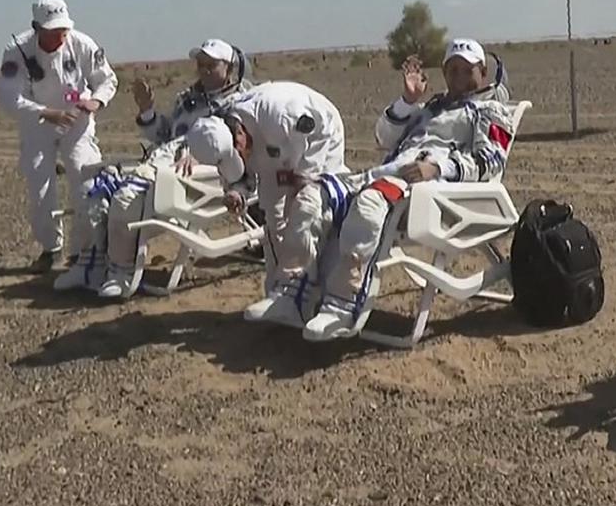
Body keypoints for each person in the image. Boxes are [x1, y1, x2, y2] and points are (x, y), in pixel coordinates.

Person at [258, 38, 517, 341]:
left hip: (431, 192)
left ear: (483, 72)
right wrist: (408, 102)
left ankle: (343, 306)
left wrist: (437, 169)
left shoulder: (490, 111)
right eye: (453, 70)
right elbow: (383, 137)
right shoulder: (431, 107)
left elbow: (490, 162)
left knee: (369, 203)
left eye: (467, 70)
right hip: (388, 178)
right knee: (312, 197)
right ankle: (293, 292)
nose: (459, 78)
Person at [53, 39, 254, 296]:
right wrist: (147, 112)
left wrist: (201, 154)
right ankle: (90, 264)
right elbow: (165, 136)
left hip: (202, 176)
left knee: (128, 195)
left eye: (212, 65)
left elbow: (242, 149)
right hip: (166, 161)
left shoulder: (239, 104)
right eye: (200, 64)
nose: (204, 69)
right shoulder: (188, 100)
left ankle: (122, 272)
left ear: (230, 68)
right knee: (98, 187)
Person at [183, 81, 347, 298]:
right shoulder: (224, 135)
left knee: (308, 210)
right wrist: (237, 192)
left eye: (239, 153)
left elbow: (319, 125)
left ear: (239, 133)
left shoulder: (278, 114)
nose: (241, 159)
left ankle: (313, 291)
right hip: (276, 151)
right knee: (273, 214)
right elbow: (242, 173)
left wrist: (304, 178)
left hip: (320, 138)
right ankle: (280, 290)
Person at [0, 0, 118, 272]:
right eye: (52, 31)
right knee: (40, 186)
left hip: (77, 121)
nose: (60, 36)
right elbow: (8, 97)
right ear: (36, 28)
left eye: (63, 29)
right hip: (38, 122)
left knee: (86, 179)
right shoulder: (17, 51)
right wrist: (48, 113)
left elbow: (106, 80)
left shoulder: (83, 44)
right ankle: (51, 249)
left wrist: (95, 101)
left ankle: (84, 250)